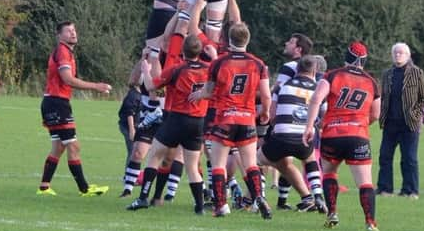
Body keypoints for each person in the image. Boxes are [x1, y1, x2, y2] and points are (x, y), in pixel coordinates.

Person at [189, 22, 273, 219]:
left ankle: (221, 206)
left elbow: (209, 91)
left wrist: (198, 95)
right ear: (248, 40)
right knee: (251, 163)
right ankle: (258, 197)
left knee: (218, 163)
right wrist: (266, 112)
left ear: (228, 40)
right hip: (246, 118)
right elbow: (266, 95)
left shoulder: (218, 63)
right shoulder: (258, 64)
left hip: (225, 117)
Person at [127, 34, 210, 214]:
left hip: (177, 119)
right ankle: (200, 207)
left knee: (155, 155)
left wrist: (145, 69)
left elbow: (150, 86)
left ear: (182, 50)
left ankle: (142, 197)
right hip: (197, 123)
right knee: (192, 167)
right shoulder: (209, 68)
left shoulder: (176, 69)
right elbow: (218, 84)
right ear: (200, 51)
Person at [303, 41, 381, 231]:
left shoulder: (332, 75)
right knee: (365, 182)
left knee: (330, 173)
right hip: (358, 135)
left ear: (346, 57)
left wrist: (310, 127)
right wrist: (360, 123)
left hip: (333, 134)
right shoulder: (372, 82)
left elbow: (315, 99)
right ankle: (370, 222)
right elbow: (376, 114)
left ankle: (332, 214)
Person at [36, 21, 111, 196]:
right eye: (68, 31)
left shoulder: (66, 52)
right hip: (57, 103)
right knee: (74, 146)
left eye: (74, 30)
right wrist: (95, 86)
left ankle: (44, 187)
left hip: (53, 102)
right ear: (59, 35)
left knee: (59, 147)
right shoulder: (62, 51)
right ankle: (84, 189)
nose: (73, 33)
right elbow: (68, 79)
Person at [257, 55, 326, 213]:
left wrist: (279, 126)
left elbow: (272, 115)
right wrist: (313, 126)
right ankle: (318, 196)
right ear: (314, 70)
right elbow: (324, 116)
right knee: (309, 160)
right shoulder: (318, 89)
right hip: (304, 137)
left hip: (282, 136)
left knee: (256, 161)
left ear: (297, 69)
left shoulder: (282, 86)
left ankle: (258, 199)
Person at [376, 42, 424, 199]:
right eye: (396, 53)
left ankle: (410, 190)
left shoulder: (417, 72)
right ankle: (385, 189)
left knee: (409, 158)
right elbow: (383, 96)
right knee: (384, 156)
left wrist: (416, 115)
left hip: (409, 123)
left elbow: (423, 98)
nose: (398, 55)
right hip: (390, 122)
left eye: (401, 53)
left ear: (408, 55)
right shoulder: (387, 74)